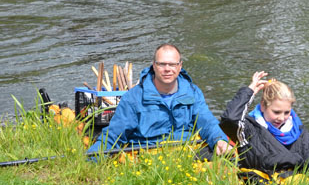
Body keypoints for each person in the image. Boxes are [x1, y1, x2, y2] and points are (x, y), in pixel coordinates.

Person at [88, 44, 231, 157]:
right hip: (148, 156)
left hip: (187, 153)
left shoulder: (192, 92)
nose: (167, 69)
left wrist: (219, 139)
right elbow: (114, 136)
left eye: (172, 64)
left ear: (180, 66)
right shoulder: (133, 98)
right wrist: (89, 160)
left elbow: (207, 121)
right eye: (162, 64)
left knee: (227, 155)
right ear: (154, 66)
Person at [220, 71, 309, 180]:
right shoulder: (248, 129)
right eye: (276, 112)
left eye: (287, 112)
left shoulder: (298, 131)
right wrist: (250, 91)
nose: (281, 118)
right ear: (263, 106)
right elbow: (229, 119)